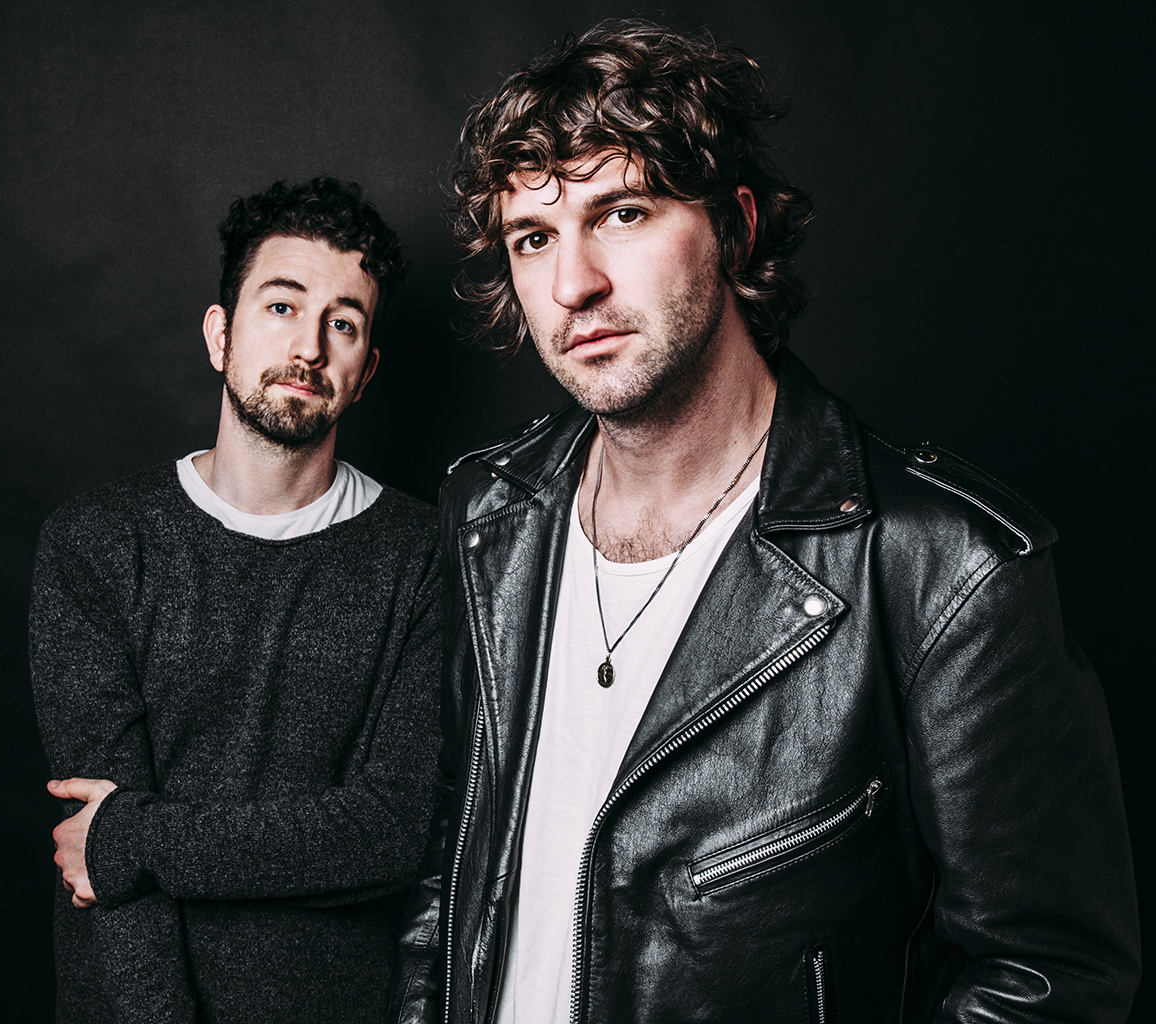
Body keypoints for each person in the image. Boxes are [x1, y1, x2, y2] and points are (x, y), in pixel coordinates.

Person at [389, 20, 1138, 1024]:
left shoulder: (945, 570)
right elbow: (453, 866)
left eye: (623, 212)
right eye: (535, 237)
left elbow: (1050, 978)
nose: (573, 285)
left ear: (736, 229)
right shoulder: (486, 515)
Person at [32, 177, 441, 1023]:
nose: (309, 348)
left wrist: (136, 836)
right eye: (282, 307)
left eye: (343, 323)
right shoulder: (95, 543)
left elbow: (389, 832)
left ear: (366, 371)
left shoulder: (425, 557)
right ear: (221, 335)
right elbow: (104, 877)